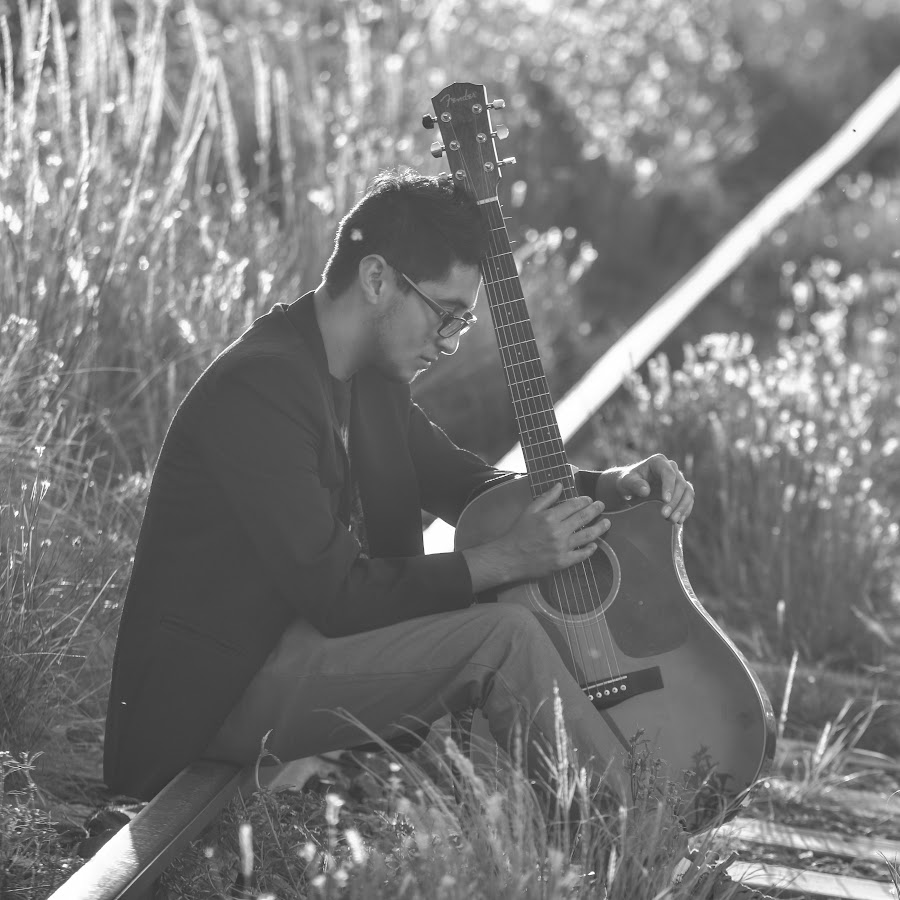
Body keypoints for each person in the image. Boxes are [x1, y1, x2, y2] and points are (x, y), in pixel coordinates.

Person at [104, 169, 769, 897]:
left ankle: (609, 846)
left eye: (462, 323)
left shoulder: (365, 381)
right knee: (503, 637)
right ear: (377, 279)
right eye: (444, 315)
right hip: (217, 693)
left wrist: (608, 486)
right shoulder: (262, 386)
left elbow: (469, 483)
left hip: (289, 652)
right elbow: (337, 593)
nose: (450, 342)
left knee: (506, 622)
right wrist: (503, 558)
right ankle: (650, 859)